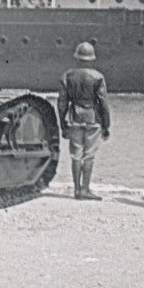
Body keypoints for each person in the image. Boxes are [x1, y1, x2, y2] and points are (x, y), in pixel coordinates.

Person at [58, 41, 111, 201]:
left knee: (76, 155)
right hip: (92, 118)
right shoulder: (98, 77)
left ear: (77, 57)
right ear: (91, 58)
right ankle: (85, 189)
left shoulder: (67, 75)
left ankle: (76, 190)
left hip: (74, 117)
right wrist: (106, 125)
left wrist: (63, 124)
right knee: (89, 155)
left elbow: (61, 103)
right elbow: (103, 103)